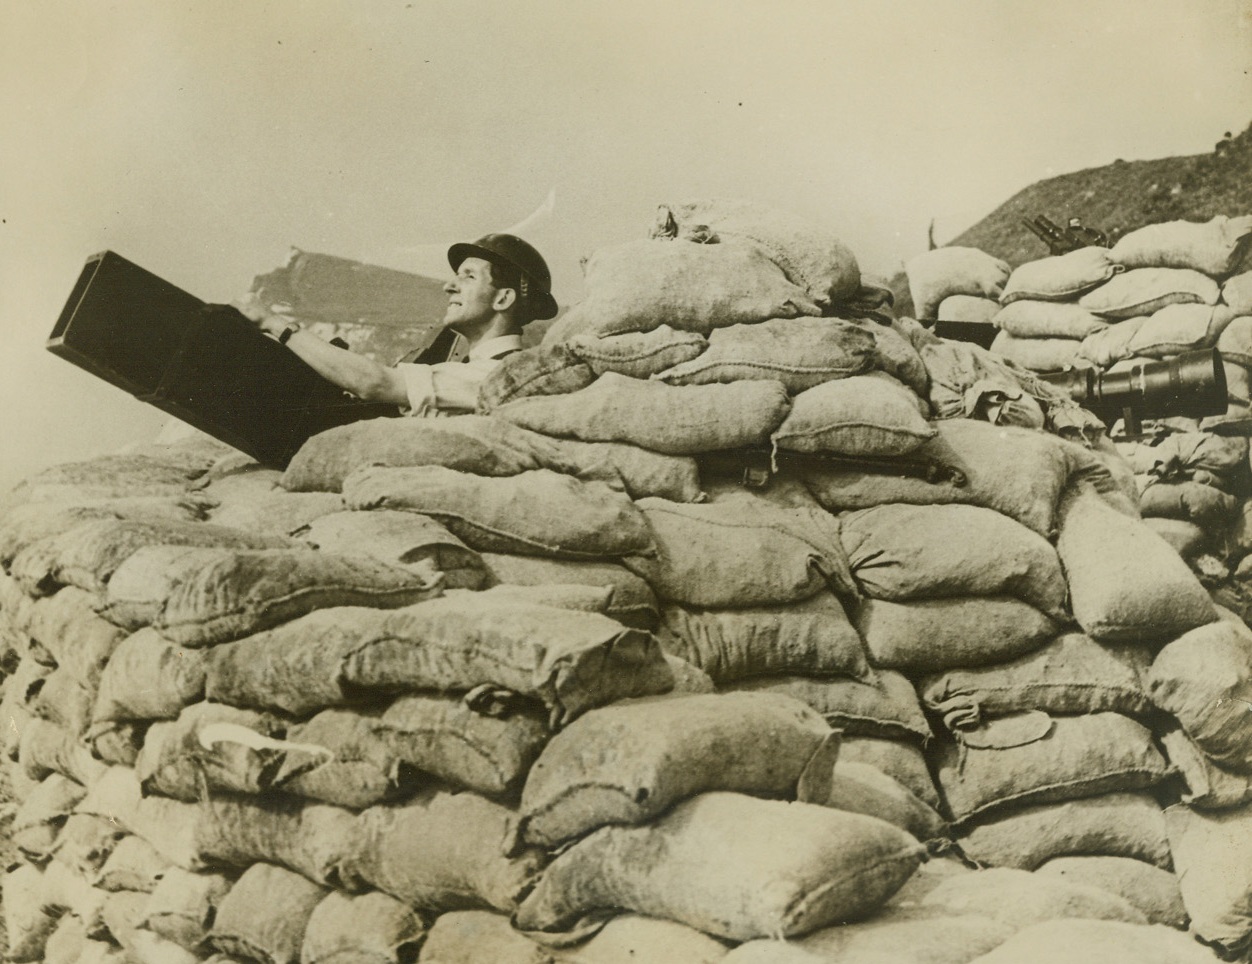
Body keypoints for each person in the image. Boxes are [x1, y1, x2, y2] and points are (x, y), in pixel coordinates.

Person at [239, 233, 557, 416]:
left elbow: (376, 383)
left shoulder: (500, 374)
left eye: (468, 276)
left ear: (503, 299)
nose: (449, 287)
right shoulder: (481, 369)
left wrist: (274, 323)